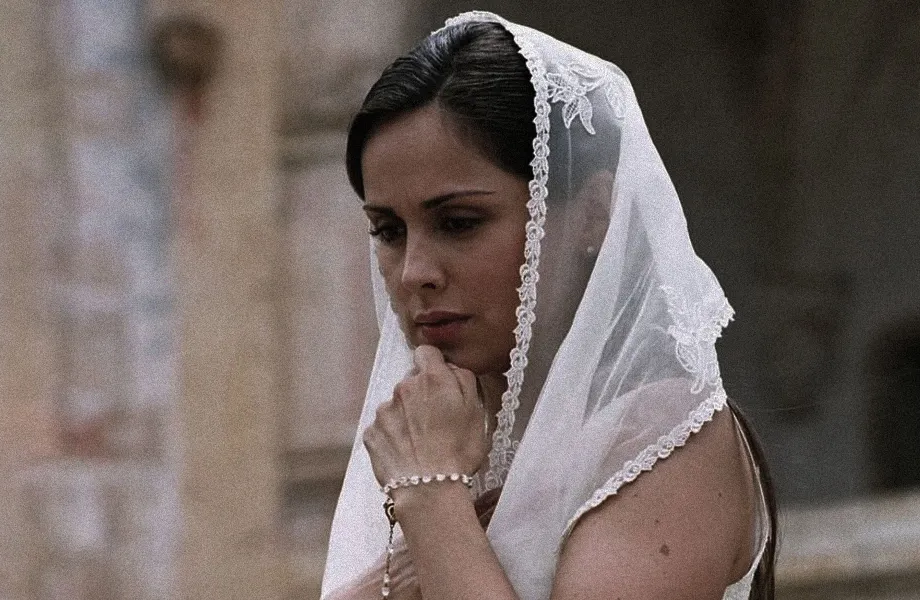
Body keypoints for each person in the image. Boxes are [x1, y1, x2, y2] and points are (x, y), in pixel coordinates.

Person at [322, 11, 776, 600]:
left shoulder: (660, 436)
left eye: (459, 222)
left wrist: (429, 495)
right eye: (388, 231)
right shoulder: (440, 444)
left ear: (593, 214)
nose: (415, 273)